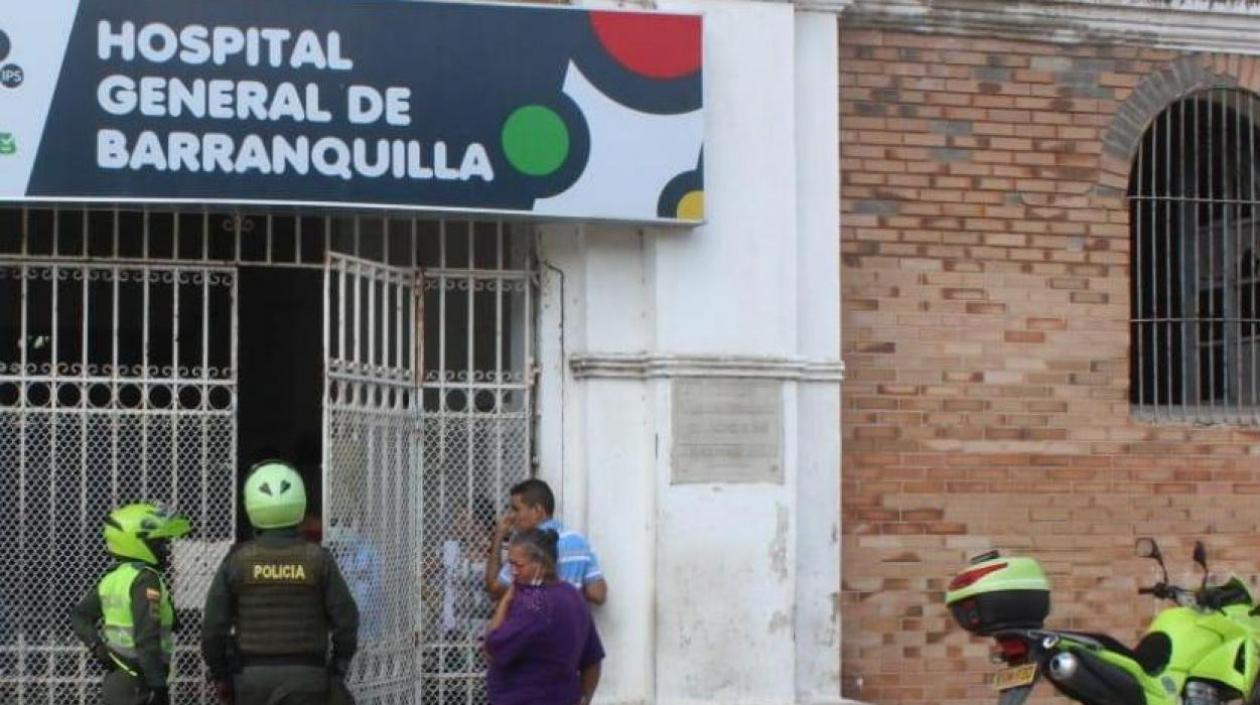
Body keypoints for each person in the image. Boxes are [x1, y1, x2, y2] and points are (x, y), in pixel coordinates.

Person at [201, 460, 360, 705]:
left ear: (251, 506)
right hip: (309, 680)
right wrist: (337, 669)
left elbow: (213, 628)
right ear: (300, 504)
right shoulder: (319, 559)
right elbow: (346, 620)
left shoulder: (237, 561)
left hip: (251, 681)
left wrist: (222, 676)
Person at [71, 502, 192, 705]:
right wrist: (159, 687)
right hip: (140, 683)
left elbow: (79, 616)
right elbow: (146, 639)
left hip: (118, 679)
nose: (166, 551)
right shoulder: (145, 579)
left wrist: (99, 649)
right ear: (139, 543)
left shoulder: (114, 578)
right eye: (159, 543)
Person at [484, 529, 604, 705]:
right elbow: (593, 660)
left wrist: (506, 600)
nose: (513, 573)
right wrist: (585, 698)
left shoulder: (533, 604)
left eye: (518, 565)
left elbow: (491, 649)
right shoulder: (572, 595)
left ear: (541, 564)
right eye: (510, 565)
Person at [484, 479, 607, 605]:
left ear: (537, 510)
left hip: (536, 622)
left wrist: (498, 536)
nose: (511, 516)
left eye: (516, 509)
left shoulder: (525, 547)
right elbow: (597, 594)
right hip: (571, 621)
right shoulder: (579, 541)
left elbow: (495, 590)